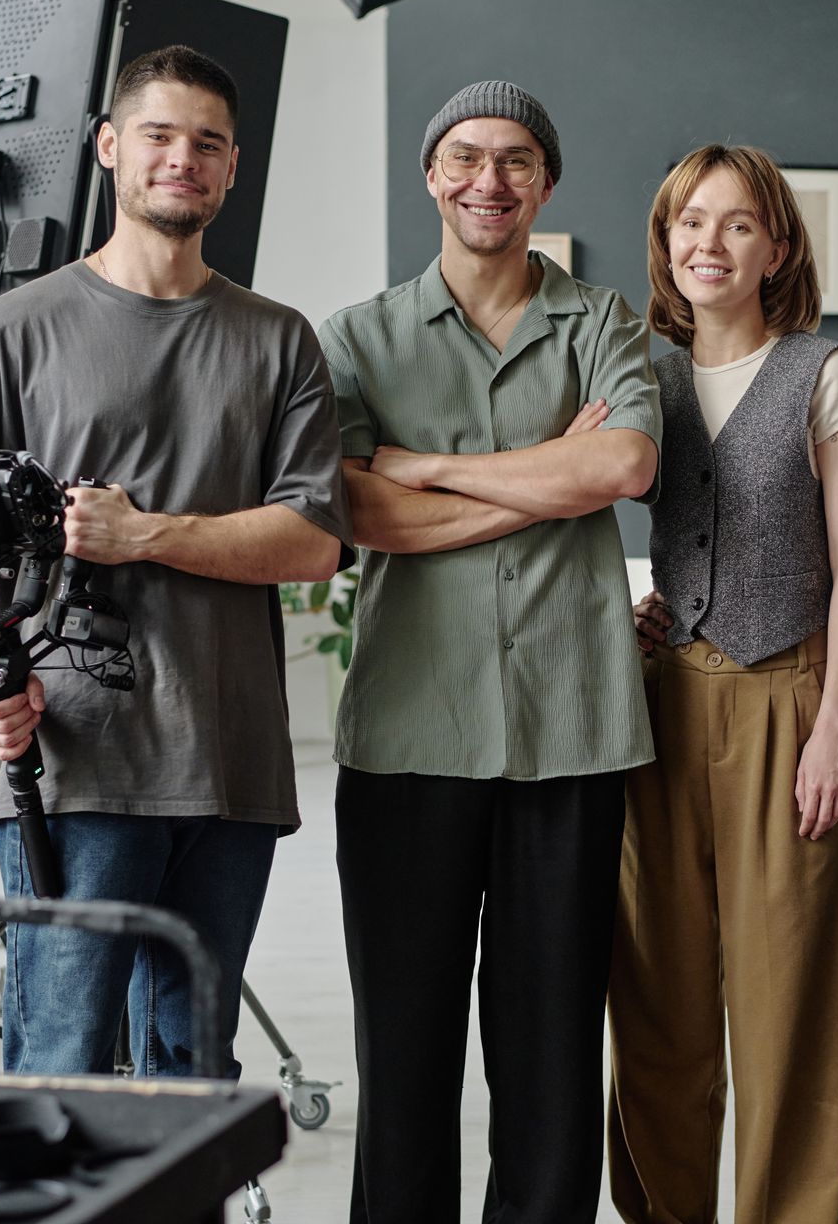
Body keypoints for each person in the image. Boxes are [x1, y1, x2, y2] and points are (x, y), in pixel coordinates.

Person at [0, 45, 352, 1079]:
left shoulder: (278, 340)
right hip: (76, 759)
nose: (183, 158)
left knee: (190, 1068)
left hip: (229, 760)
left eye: (207, 143)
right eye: (160, 135)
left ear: (232, 168)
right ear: (111, 148)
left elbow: (312, 540)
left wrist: (147, 532)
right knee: (61, 1066)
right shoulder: (13, 331)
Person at [320, 80, 660, 1224]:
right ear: (431, 174)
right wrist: (540, 475)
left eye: (516, 160)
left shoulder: (607, 322)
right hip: (410, 732)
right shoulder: (357, 338)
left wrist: (428, 464)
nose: (489, 180)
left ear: (545, 182)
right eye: (465, 156)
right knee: (405, 1059)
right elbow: (360, 517)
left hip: (572, 732)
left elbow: (622, 470)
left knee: (553, 1058)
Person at [611, 144, 838, 1224]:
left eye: (734, 224)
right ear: (666, 243)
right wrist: (622, 609)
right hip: (663, 703)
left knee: (788, 1008)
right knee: (660, 1000)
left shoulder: (825, 373)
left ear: (776, 245)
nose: (708, 243)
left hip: (786, 700)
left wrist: (834, 730)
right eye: (689, 222)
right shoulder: (637, 371)